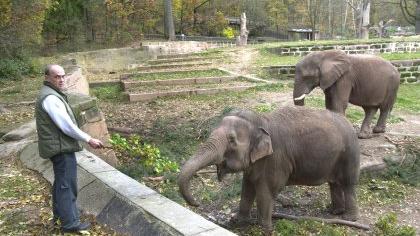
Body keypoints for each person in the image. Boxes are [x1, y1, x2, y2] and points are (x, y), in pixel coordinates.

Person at [35, 64, 104, 232]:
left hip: (58, 147)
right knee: (67, 186)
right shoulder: (50, 98)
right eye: (56, 76)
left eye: (63, 76)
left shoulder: (51, 95)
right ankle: (70, 223)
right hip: (61, 149)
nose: (61, 80)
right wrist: (89, 139)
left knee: (61, 184)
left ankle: (61, 217)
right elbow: (66, 126)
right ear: (47, 78)